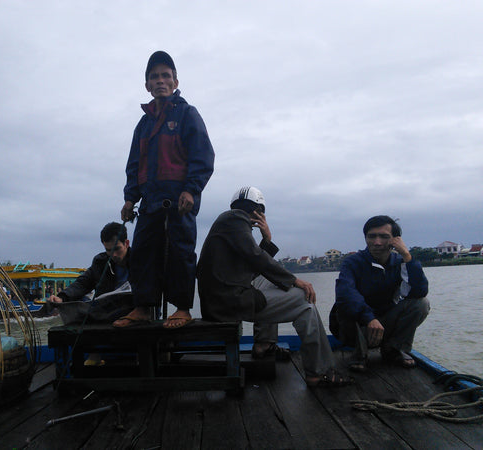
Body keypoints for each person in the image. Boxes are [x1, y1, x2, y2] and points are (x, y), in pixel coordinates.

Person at [197, 187, 352, 387]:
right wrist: (295, 280)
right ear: (258, 211)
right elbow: (256, 257)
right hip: (228, 302)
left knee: (273, 281)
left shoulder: (229, 223)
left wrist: (267, 241)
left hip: (222, 298)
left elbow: (253, 267)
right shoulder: (235, 219)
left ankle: (264, 344)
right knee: (304, 301)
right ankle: (319, 371)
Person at [115, 50, 215, 329]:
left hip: (179, 198)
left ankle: (182, 308)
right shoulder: (143, 124)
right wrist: (129, 198)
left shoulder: (187, 114)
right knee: (144, 252)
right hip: (149, 201)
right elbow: (134, 164)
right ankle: (143, 307)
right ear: (147, 84)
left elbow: (203, 156)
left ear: (175, 81)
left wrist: (191, 190)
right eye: (154, 76)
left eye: (165, 76)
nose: (160, 80)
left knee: (181, 252)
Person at [330, 215, 429, 372]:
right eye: (372, 236)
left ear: (394, 240)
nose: (377, 242)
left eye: (384, 237)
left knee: (421, 304)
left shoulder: (399, 262)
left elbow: (419, 291)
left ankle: (393, 350)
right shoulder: (353, 262)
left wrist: (407, 257)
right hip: (355, 325)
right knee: (346, 305)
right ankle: (359, 355)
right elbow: (345, 293)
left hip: (384, 321)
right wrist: (369, 318)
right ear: (366, 238)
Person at [49, 221, 133, 322]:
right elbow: (83, 283)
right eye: (108, 250)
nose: (113, 254)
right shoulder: (100, 262)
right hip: (108, 317)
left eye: (117, 249)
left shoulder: (140, 261)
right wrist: (62, 297)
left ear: (126, 243)